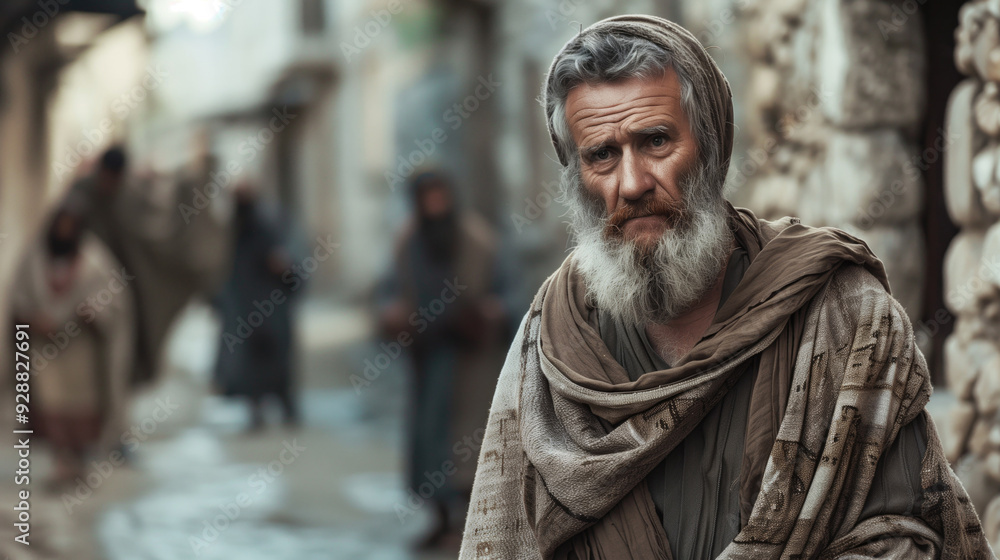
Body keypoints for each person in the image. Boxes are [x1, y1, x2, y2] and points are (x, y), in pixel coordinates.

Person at [459, 15, 993, 560]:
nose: (633, 183)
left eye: (656, 141)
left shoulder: (843, 317)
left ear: (712, 147)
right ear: (576, 175)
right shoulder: (550, 342)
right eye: (602, 155)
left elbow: (903, 537)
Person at [380, 170, 508, 550]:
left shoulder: (480, 239)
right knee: (430, 440)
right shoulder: (407, 241)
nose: (435, 204)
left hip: (473, 362)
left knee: (470, 441)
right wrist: (391, 312)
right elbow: (387, 291)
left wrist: (491, 313)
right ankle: (438, 519)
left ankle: (469, 523)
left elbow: (510, 293)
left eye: (440, 196)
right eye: (427, 197)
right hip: (427, 357)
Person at [68, 144, 229, 386]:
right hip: (82, 293)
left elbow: (157, 225)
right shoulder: (82, 195)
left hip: (121, 294)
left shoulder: (128, 194)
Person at [11, 203, 134, 487]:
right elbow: (18, 300)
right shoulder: (34, 260)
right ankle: (61, 461)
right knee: (51, 406)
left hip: (82, 352)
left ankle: (78, 463)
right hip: (46, 352)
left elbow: (115, 301)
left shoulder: (95, 261)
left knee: (82, 409)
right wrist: (34, 320)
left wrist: (93, 313)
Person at [212, 184, 298, 430]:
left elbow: (291, 273)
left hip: (272, 312)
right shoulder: (230, 234)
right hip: (244, 312)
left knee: (278, 366)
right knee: (249, 368)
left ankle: (288, 410)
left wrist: (284, 269)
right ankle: (256, 412)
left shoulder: (268, 229)